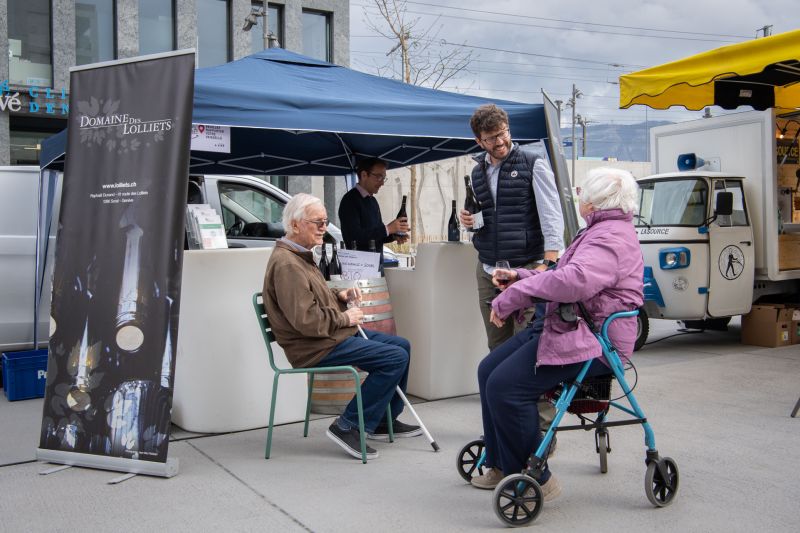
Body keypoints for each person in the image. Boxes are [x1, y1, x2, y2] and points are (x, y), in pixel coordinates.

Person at [470, 168, 644, 503]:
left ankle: (536, 476)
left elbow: (574, 280)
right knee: (488, 370)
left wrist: (515, 295)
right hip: (573, 325)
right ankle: (500, 462)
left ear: (592, 202)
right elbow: (564, 272)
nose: (579, 196)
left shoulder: (608, 237)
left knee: (506, 387)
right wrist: (520, 277)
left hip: (595, 340)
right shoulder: (601, 230)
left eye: (583, 193)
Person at [263, 193, 421, 460]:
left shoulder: (299, 256)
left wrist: (338, 297)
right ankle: (348, 425)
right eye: (318, 222)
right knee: (394, 357)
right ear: (295, 225)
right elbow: (306, 321)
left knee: (401, 345)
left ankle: (382, 419)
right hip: (314, 346)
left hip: (328, 336)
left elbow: (311, 301)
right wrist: (344, 318)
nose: (324, 227)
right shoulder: (288, 264)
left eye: (325, 221)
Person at [460, 103, 565, 437]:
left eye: (503, 133)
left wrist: (546, 267)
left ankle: (540, 433)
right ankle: (508, 428)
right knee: (498, 354)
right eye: (491, 138)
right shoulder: (477, 173)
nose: (500, 142)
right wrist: (469, 222)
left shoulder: (533, 163)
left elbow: (552, 219)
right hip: (488, 271)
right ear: (479, 141)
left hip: (526, 271)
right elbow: (486, 222)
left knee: (532, 355)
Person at [338, 157, 409, 260]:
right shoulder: (350, 200)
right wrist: (388, 229)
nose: (382, 183)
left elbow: (376, 235)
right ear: (364, 175)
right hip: (359, 268)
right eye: (379, 177)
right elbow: (353, 237)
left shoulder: (373, 201)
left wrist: (394, 234)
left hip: (375, 266)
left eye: (384, 178)